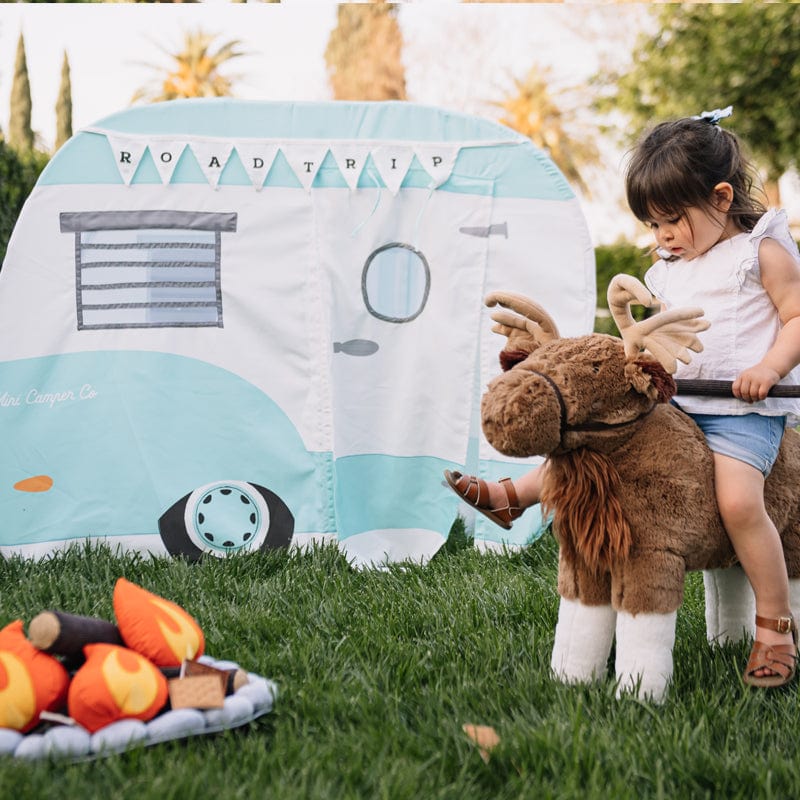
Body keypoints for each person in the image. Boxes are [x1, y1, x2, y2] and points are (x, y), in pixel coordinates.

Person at [445, 107, 800, 688]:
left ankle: (773, 626)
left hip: (741, 412)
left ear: (720, 197)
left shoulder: (762, 252)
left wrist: (768, 367)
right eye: (652, 225)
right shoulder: (668, 268)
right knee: (598, 442)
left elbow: (796, 317)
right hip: (677, 405)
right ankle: (516, 496)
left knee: (738, 503)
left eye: (670, 221)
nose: (660, 237)